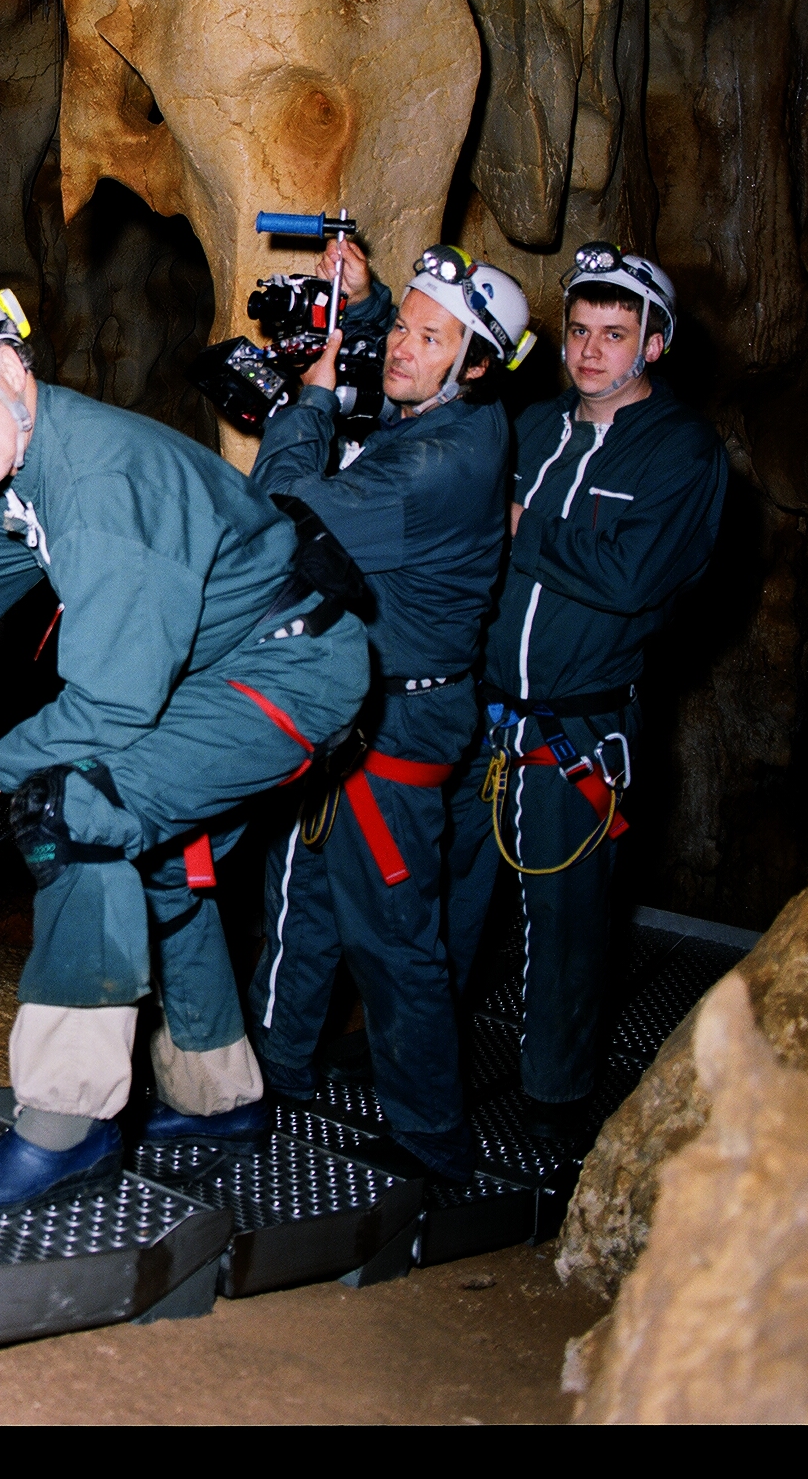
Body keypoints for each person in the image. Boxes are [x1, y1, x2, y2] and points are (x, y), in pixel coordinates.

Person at [0, 278, 370, 1211]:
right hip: (226, 670)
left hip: (285, 674)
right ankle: (221, 1100)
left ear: (11, 367)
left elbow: (108, 710)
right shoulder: (26, 459)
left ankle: (67, 1126)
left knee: (78, 813)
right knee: (160, 863)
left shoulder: (94, 484)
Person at [243, 243, 527, 1182]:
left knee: (393, 937)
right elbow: (412, 375)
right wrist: (364, 313)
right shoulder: (462, 414)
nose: (400, 348)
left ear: (476, 365)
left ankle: (431, 1140)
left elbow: (276, 514)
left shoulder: (434, 467)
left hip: (398, 728)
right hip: (368, 708)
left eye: (426, 336)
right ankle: (274, 1075)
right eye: (400, 326)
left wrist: (311, 401)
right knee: (307, 904)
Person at [447, 244, 727, 1142]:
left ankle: (553, 1106)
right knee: (444, 907)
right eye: (578, 332)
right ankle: (419, 1083)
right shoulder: (533, 428)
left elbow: (633, 577)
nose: (591, 352)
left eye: (615, 335)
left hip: (579, 731)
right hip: (484, 717)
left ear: (654, 344)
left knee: (564, 931)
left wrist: (522, 525)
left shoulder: (680, 453)